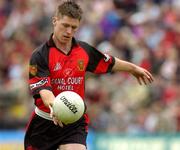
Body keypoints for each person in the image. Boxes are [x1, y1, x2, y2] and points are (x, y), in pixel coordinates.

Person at [24, 1, 154, 150]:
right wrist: (55, 106)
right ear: (55, 21)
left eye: (74, 28)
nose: (68, 32)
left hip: (74, 121)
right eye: (65, 25)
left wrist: (133, 68)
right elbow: (44, 91)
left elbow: (109, 62)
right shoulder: (40, 55)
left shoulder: (84, 51)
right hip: (44, 124)